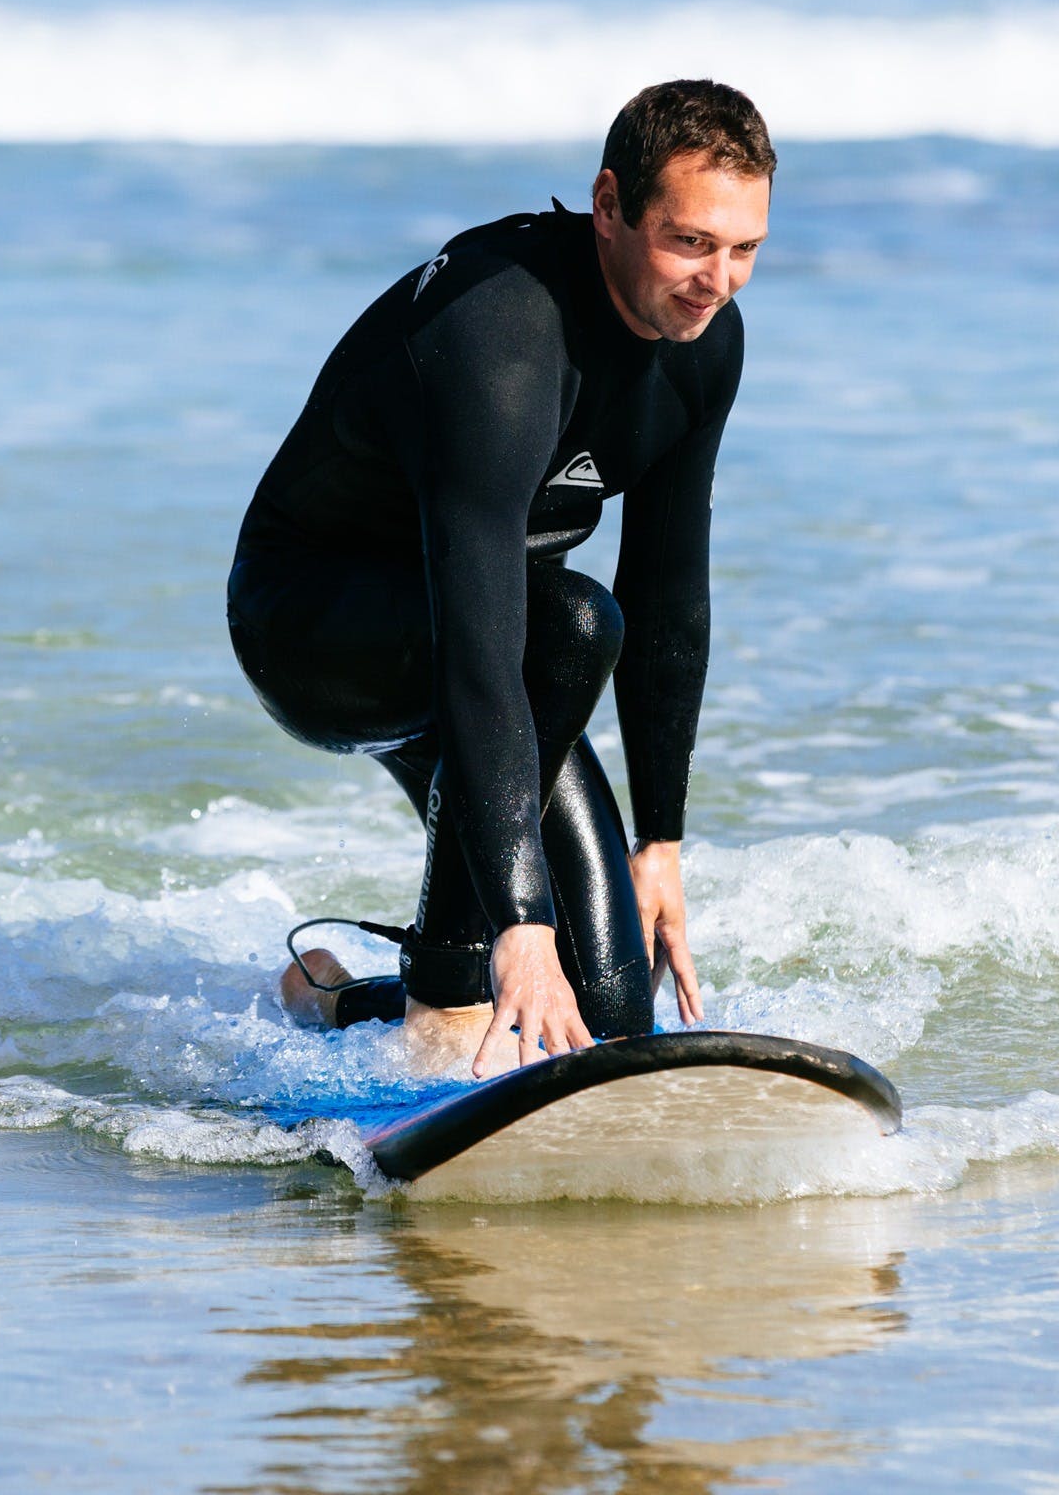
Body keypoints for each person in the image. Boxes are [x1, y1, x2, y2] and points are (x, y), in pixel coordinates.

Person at [229, 79, 775, 1079]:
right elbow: (487, 630)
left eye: (744, 249)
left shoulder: (704, 343)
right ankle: (442, 989)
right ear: (609, 205)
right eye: (690, 241)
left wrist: (662, 841)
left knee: (612, 1019)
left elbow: (667, 597)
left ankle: (334, 993)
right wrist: (516, 923)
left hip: (504, 652)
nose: (718, 279)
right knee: (570, 622)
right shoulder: (503, 327)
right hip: (317, 624)